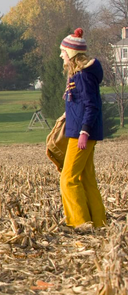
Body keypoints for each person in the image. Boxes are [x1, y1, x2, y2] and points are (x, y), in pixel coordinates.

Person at [58, 28, 106, 231]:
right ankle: (99, 223)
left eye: (63, 51)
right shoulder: (79, 76)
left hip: (80, 135)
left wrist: (84, 132)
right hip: (82, 132)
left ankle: (80, 224)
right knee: (86, 178)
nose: (61, 55)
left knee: (68, 179)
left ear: (72, 54)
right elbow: (83, 102)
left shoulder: (83, 77)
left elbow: (91, 105)